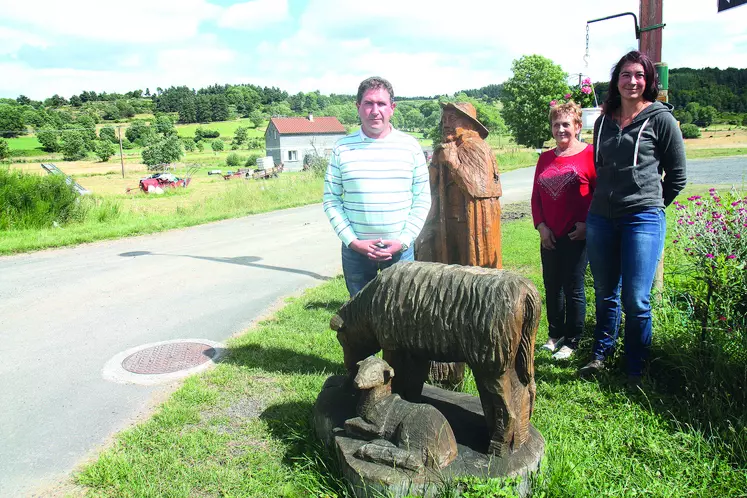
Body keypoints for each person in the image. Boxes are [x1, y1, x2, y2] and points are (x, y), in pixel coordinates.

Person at [579, 51, 687, 385]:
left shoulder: (660, 119)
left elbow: (677, 177)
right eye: (626, 75)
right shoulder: (603, 121)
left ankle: (636, 367)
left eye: (639, 75)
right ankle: (601, 354)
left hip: (642, 219)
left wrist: (651, 206)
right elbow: (600, 167)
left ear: (648, 80)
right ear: (617, 80)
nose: (632, 81)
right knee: (605, 291)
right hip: (601, 218)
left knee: (636, 298)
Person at [323, 76, 431, 297]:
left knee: (401, 317)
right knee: (361, 322)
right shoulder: (342, 148)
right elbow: (331, 199)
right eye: (368, 103)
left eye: (381, 104)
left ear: (392, 108)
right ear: (358, 107)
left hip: (400, 251)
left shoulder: (410, 147)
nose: (375, 111)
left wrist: (402, 241)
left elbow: (422, 199)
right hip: (357, 254)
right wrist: (353, 242)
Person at [531, 101, 596, 360]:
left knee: (573, 287)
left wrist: (588, 225)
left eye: (566, 124)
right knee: (552, 286)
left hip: (577, 235)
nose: (561, 129)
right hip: (550, 234)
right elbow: (536, 196)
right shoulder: (545, 159)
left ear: (578, 126)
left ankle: (573, 339)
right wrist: (541, 227)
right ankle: (554, 334)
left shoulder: (590, 154)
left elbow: (601, 194)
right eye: (556, 124)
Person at [416, 102, 502, 268]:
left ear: (469, 123)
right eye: (444, 120)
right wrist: (435, 164)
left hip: (470, 221)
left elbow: (479, 188)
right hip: (447, 219)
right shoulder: (446, 148)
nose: (446, 124)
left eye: (452, 119)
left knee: (471, 267)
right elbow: (430, 186)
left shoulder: (475, 147)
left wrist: (453, 162)